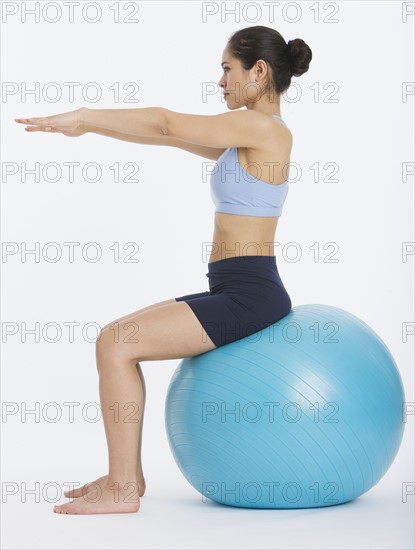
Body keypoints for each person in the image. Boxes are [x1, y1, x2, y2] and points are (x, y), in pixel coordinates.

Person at [14, 25, 312, 515]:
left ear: (259, 72)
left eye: (227, 68)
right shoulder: (244, 137)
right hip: (236, 286)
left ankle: (123, 487)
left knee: (116, 343)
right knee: (115, 339)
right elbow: (166, 138)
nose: (220, 81)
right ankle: (123, 477)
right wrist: (89, 129)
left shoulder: (265, 130)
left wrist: (85, 116)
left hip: (250, 293)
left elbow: (167, 123)